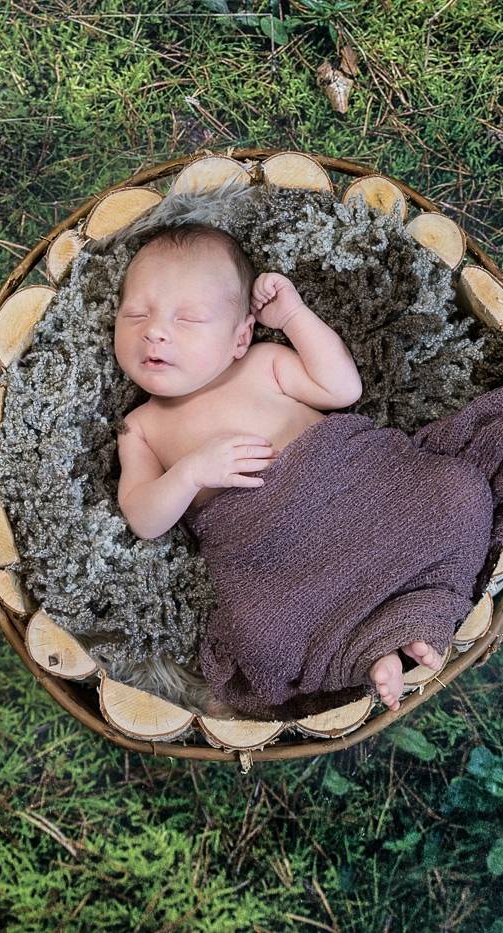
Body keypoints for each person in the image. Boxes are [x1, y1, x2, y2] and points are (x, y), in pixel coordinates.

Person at [113, 223, 445, 711]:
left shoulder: (264, 363)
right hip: (276, 554)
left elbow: (341, 391)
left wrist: (292, 315)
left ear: (240, 337)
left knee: (454, 494)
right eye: (134, 314)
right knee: (260, 636)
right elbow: (143, 518)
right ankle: (371, 653)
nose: (154, 330)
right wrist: (188, 473)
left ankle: (410, 620)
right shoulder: (140, 427)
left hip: (354, 494)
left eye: (189, 319)